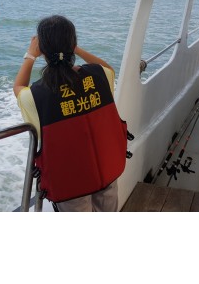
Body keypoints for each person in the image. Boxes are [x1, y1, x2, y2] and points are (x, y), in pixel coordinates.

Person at [13, 15, 128, 212]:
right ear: (73, 43)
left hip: (71, 183)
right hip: (106, 169)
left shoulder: (35, 95)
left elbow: (18, 87)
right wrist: (74, 48)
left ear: (42, 50)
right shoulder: (100, 76)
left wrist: (30, 55)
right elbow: (108, 68)